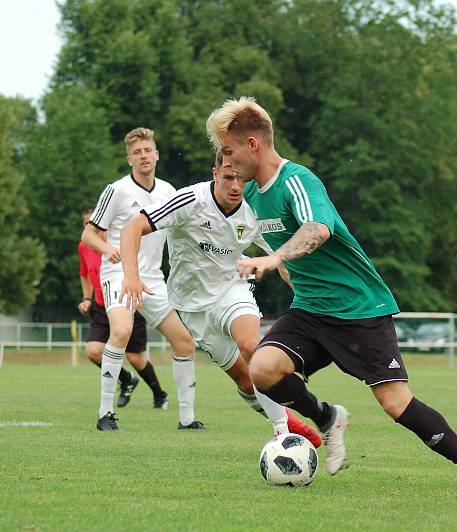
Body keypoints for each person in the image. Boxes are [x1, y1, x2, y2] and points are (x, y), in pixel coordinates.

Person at [206, 96, 457, 495]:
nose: (225, 160)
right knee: (262, 368)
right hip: (310, 310)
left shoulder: (297, 180)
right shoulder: (254, 196)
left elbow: (316, 230)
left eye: (229, 150)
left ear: (253, 144)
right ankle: (327, 418)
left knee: (396, 404)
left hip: (359, 308)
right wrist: (282, 269)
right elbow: (295, 258)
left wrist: (272, 259)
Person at [120, 152, 322, 448]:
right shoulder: (189, 200)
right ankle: (284, 419)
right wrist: (131, 276)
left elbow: (281, 258)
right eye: (228, 177)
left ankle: (283, 434)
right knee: (244, 380)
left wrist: (304, 292)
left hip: (233, 287)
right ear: (215, 173)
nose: (235, 186)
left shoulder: (253, 209)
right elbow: (133, 226)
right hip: (192, 307)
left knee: (252, 347)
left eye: (241, 179)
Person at [81, 127, 201, 431]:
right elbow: (89, 233)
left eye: (148, 150)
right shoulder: (117, 190)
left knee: (185, 342)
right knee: (120, 332)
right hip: (119, 275)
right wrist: (108, 249)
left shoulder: (169, 191)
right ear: (129, 159)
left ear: (157, 154)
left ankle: (187, 419)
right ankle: (105, 414)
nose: (143, 156)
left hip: (152, 279)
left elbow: (183, 231)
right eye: (137, 152)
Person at [78, 206, 167, 408]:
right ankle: (126, 380)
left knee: (135, 358)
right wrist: (86, 297)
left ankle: (159, 394)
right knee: (93, 351)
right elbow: (84, 274)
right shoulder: (84, 247)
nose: (95, 228)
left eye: (98, 223)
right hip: (101, 305)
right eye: (87, 224)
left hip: (126, 302)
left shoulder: (119, 243)